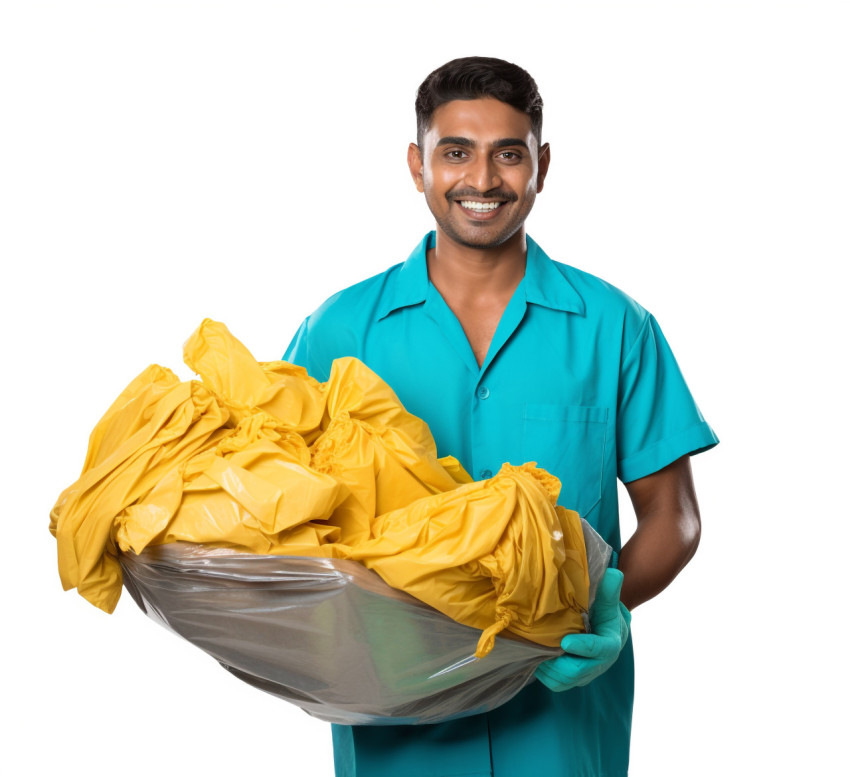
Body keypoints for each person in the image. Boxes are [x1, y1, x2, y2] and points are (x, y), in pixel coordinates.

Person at [284, 56, 718, 777]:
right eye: (456, 151)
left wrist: (603, 607)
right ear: (417, 164)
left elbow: (674, 515)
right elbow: (282, 512)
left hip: (562, 718)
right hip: (398, 723)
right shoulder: (339, 330)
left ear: (541, 165)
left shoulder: (616, 326)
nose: (481, 180)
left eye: (507, 154)